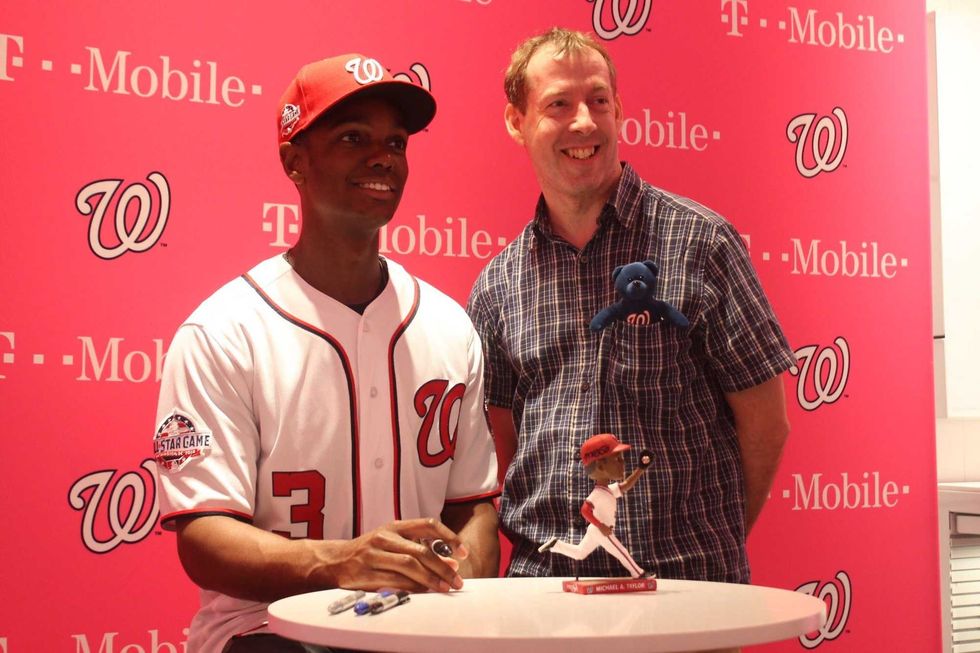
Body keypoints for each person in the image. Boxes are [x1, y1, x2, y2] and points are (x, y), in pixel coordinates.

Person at [153, 53, 499, 653]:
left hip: (418, 630)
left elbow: (474, 510)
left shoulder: (449, 326)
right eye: (352, 137)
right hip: (268, 627)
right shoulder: (224, 331)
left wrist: (453, 586)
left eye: (396, 142)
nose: (383, 157)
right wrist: (343, 562)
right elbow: (204, 538)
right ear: (295, 161)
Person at [467, 27, 795, 587]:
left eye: (598, 100)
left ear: (618, 110)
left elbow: (766, 425)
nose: (584, 122)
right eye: (558, 104)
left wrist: (711, 549)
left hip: (685, 593)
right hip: (542, 594)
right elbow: (503, 444)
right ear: (516, 121)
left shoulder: (701, 244)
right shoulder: (498, 285)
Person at [538, 433, 654, 579]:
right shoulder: (597, 494)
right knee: (621, 551)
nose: (622, 462)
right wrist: (601, 526)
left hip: (596, 529)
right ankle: (639, 573)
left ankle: (556, 545)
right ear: (600, 466)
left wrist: (641, 468)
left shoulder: (608, 490)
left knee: (580, 553)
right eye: (617, 459)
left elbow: (626, 485)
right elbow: (585, 510)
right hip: (600, 530)